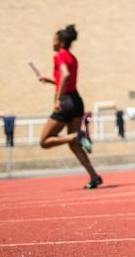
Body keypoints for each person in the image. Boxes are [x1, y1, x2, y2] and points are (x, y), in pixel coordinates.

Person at [36, 24, 103, 189]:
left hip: (66, 102)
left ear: (60, 41)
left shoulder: (59, 56)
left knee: (44, 141)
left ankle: (75, 136)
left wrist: (57, 99)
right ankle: (94, 176)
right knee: (74, 146)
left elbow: (65, 75)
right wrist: (51, 80)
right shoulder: (72, 57)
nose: (51, 43)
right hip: (76, 101)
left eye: (53, 39)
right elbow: (66, 80)